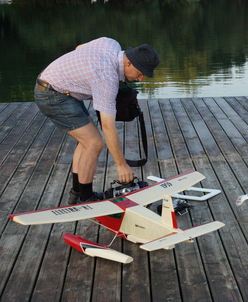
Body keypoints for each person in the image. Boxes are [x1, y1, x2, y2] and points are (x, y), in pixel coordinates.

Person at [34, 37, 159, 204]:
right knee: (94, 143)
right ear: (128, 63)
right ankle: (87, 199)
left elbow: (79, 47)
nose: (141, 79)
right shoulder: (106, 77)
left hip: (58, 86)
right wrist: (121, 165)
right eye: (141, 73)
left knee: (86, 141)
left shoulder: (111, 44)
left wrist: (80, 74)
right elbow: (108, 127)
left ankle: (77, 193)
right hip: (52, 94)